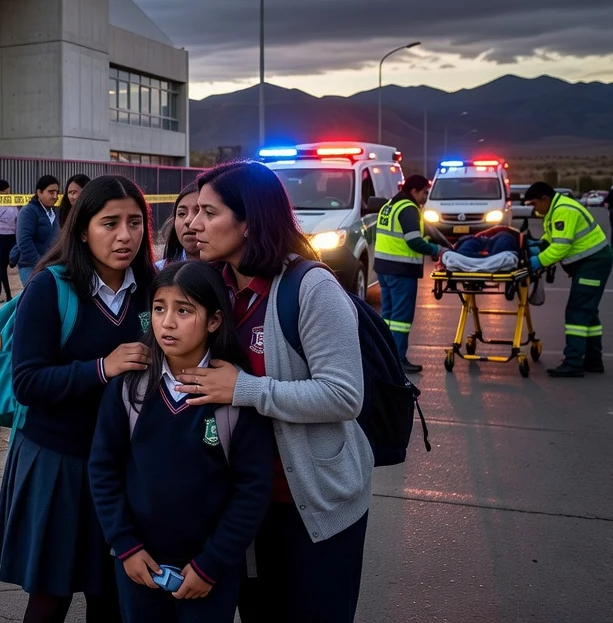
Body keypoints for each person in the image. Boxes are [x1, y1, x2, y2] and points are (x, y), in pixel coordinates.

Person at [182, 160, 372, 623]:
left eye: (209, 212)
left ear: (249, 222)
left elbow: (344, 396)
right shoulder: (218, 287)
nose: (193, 224)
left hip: (309, 504)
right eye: (192, 213)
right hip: (245, 507)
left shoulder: (311, 288)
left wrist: (244, 388)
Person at [0, 175, 156, 623]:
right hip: (58, 462)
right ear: (83, 229)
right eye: (110, 223)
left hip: (122, 466)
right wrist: (104, 367)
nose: (125, 235)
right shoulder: (51, 287)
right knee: (51, 597)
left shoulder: (151, 289)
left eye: (135, 222)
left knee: (112, 596)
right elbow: (28, 382)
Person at [89, 261, 274, 622]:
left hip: (208, 573)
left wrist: (212, 563)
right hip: (140, 566)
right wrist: (125, 545)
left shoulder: (234, 394)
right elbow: (103, 469)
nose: (167, 322)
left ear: (215, 320)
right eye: (159, 308)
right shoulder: (129, 389)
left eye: (184, 310)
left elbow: (252, 489)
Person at [525, 182, 612, 378]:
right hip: (592, 262)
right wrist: (537, 245)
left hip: (593, 264)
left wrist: (536, 261)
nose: (533, 208)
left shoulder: (563, 210)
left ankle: (573, 362)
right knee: (589, 312)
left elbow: (560, 248)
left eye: (534, 204)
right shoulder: (557, 208)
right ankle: (593, 360)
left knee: (577, 312)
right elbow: (553, 239)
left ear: (544, 199)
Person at [373, 175, 444, 373]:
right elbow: (414, 241)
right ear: (414, 190)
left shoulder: (390, 205)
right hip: (401, 270)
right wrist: (437, 250)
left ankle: (385, 358)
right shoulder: (408, 208)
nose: (425, 197)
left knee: (388, 316)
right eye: (424, 192)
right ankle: (399, 360)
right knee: (401, 319)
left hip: (384, 268)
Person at [16, 175, 61, 287]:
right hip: (31, 267)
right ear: (39, 192)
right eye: (51, 192)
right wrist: (40, 263)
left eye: (57, 192)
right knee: (35, 301)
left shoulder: (54, 212)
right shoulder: (28, 212)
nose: (55, 196)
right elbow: (24, 241)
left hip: (50, 267)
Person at [156, 183, 202, 270]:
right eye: (181, 214)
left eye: (199, 211)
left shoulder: (231, 274)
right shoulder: (158, 272)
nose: (188, 220)